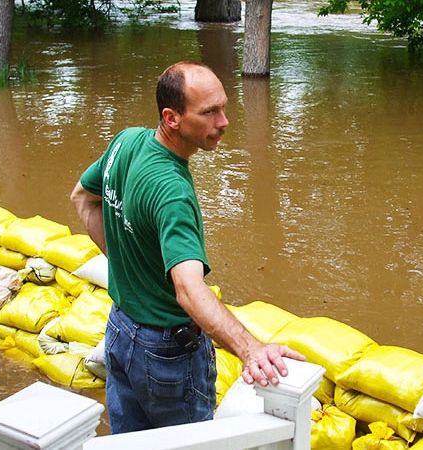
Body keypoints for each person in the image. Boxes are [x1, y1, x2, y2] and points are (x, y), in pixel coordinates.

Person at [70, 61, 305, 433]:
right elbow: (189, 291)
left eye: (224, 107)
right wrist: (251, 350)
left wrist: (127, 262)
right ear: (172, 117)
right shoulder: (172, 191)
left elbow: (83, 197)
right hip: (166, 353)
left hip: (120, 329)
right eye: (210, 113)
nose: (224, 122)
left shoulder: (126, 141)